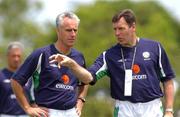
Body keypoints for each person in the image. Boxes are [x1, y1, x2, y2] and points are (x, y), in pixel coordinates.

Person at [49, 9, 175, 117]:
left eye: (121, 28)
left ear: (133, 27)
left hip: (152, 107)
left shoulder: (154, 47)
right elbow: (88, 77)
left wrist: (169, 110)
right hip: (124, 109)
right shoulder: (109, 55)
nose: (117, 33)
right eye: (115, 29)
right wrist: (72, 64)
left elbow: (167, 80)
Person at [11, 12, 88, 117]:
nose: (73, 34)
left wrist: (80, 101)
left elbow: (85, 80)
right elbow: (16, 81)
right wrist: (28, 108)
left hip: (71, 112)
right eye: (68, 30)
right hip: (47, 112)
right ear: (58, 31)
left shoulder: (79, 57)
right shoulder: (41, 54)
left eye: (75, 30)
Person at [0, 42, 28, 117]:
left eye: (18, 56)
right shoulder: (1, 75)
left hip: (25, 115)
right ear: (7, 56)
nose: (16, 59)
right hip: (5, 115)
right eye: (13, 56)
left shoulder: (28, 75)